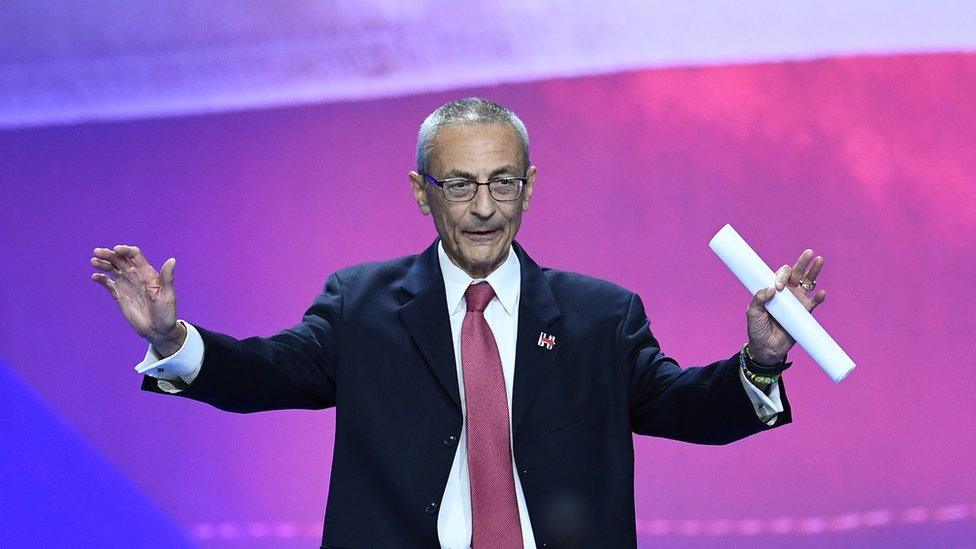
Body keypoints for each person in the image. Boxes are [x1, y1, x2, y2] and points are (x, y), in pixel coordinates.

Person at [90, 98, 828, 548]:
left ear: (529, 186)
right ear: (421, 192)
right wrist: (169, 338)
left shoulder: (602, 315)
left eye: (503, 181)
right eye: (462, 184)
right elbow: (264, 372)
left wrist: (759, 361)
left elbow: (686, 407)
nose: (484, 207)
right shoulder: (361, 304)